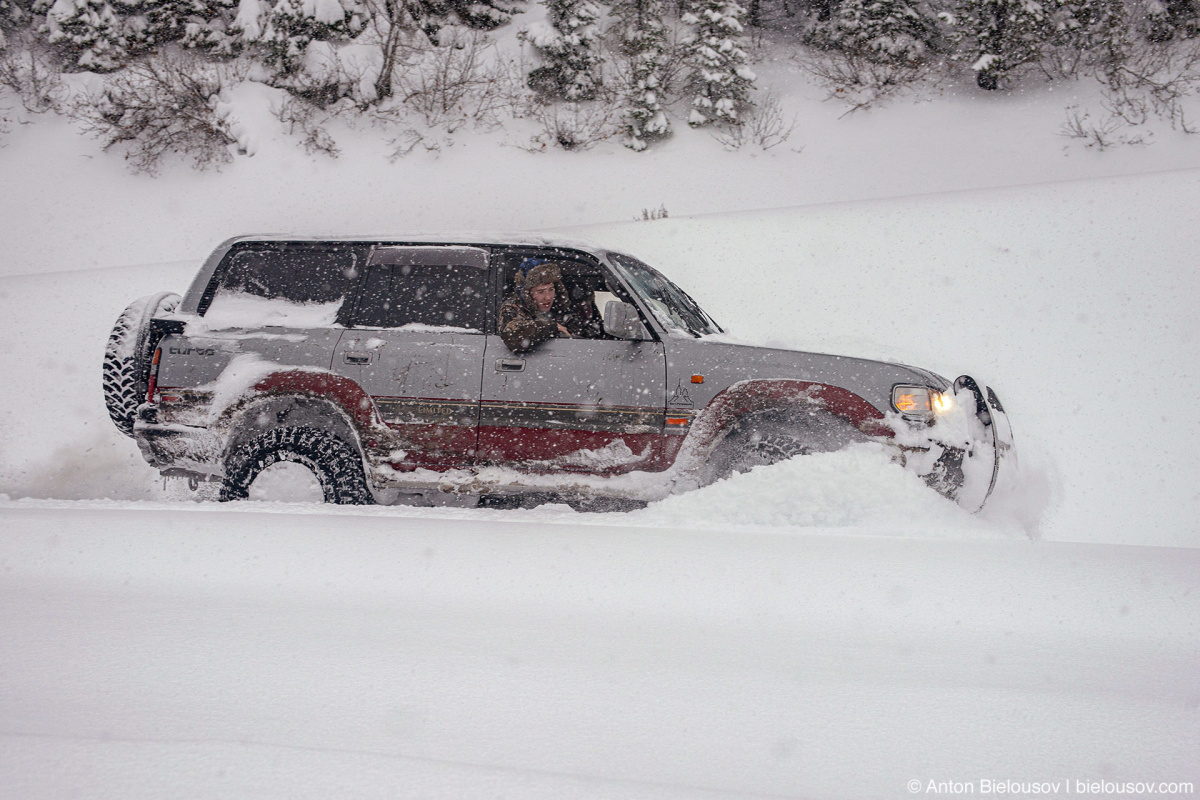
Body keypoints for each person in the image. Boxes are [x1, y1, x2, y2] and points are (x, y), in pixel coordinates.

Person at [499, 260, 586, 353]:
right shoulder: (513, 307)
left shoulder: (562, 310)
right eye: (541, 292)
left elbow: (585, 339)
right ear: (528, 294)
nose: (548, 297)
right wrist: (552, 327)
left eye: (551, 289)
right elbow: (516, 339)